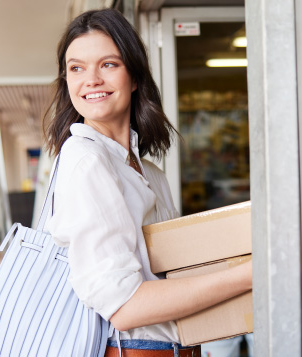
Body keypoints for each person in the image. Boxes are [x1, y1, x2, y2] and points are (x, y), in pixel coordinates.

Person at [43, 9, 252, 356]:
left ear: (135, 77)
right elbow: (125, 306)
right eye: (76, 68)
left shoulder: (148, 171)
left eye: (108, 64)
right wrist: (249, 275)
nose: (90, 79)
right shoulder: (86, 160)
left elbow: (171, 276)